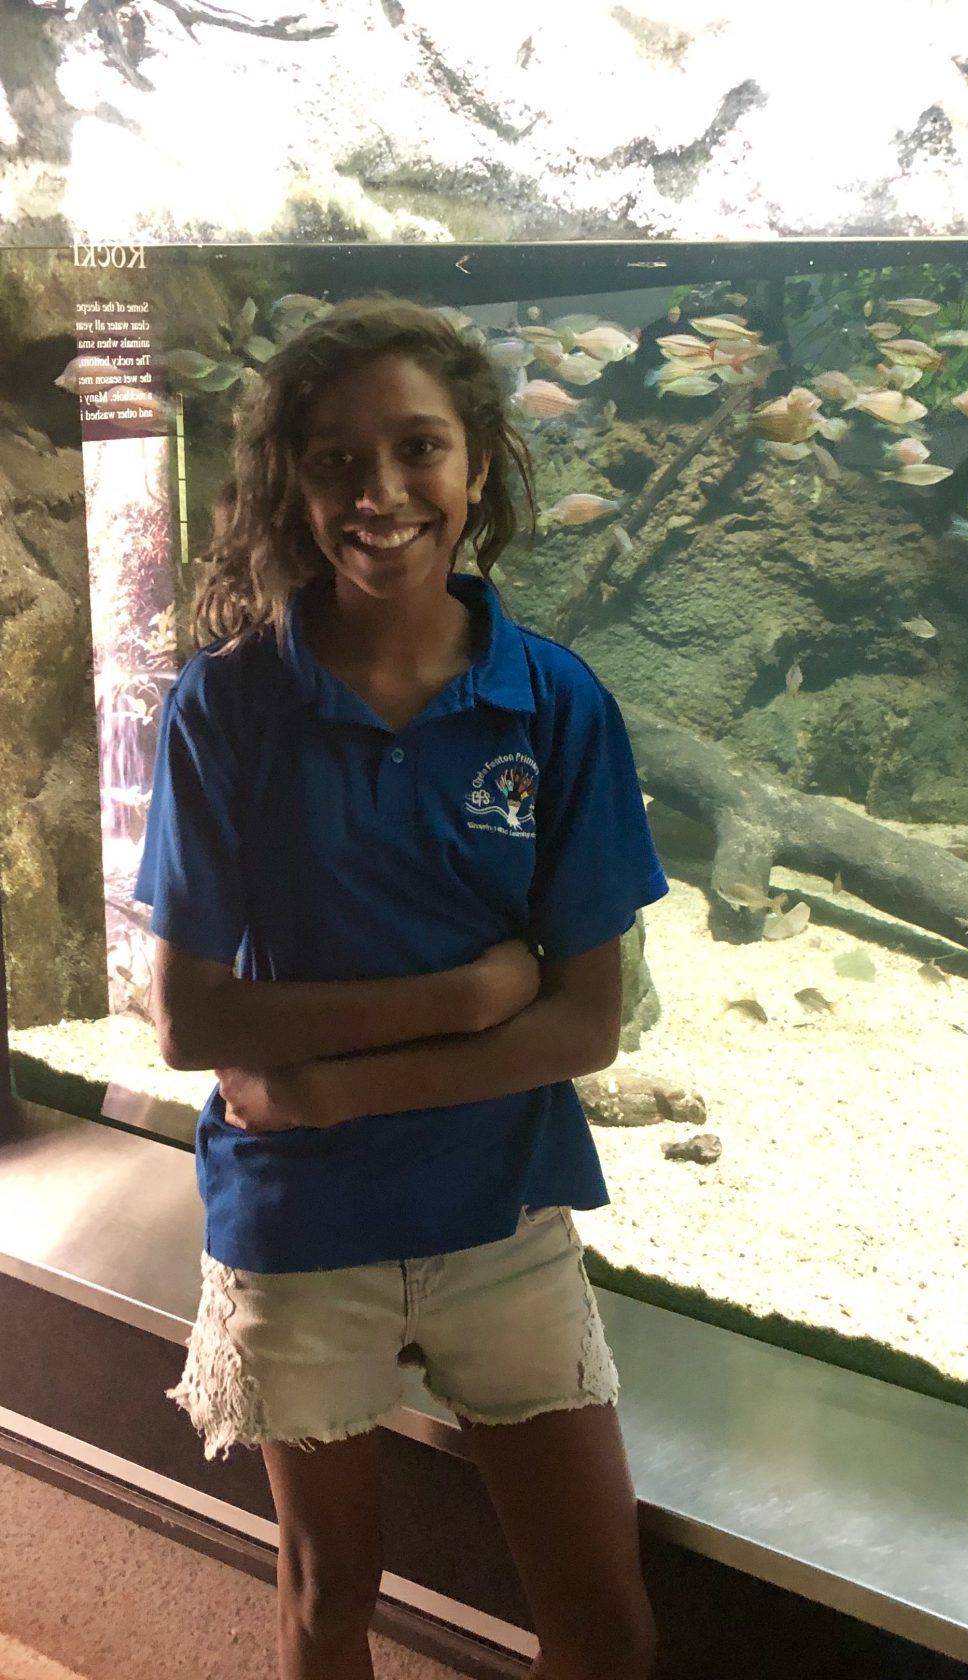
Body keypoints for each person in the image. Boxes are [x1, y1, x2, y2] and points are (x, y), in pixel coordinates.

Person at [134, 294, 669, 1680]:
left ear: (477, 465)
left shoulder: (554, 705)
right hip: (298, 1225)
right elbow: (192, 1020)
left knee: (604, 1621)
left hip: (504, 1215)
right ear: (291, 485)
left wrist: (325, 1091)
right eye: (336, 460)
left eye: (418, 448)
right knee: (330, 1597)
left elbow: (587, 1019)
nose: (380, 493)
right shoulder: (228, 707)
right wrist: (467, 997)